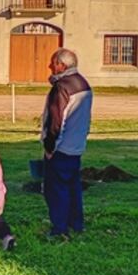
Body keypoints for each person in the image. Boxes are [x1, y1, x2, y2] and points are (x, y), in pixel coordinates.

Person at [41, 48, 93, 239]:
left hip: (61, 147)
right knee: (73, 188)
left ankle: (59, 229)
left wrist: (49, 147)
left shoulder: (62, 87)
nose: (49, 66)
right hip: (77, 145)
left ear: (62, 65)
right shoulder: (83, 83)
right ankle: (76, 223)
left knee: (55, 190)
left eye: (52, 62)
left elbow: (56, 120)